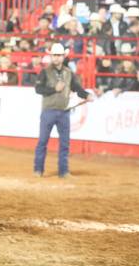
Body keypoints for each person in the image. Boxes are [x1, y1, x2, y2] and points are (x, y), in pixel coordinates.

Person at [33, 43, 93, 179]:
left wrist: (86, 95)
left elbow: (77, 88)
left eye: (59, 55)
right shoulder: (45, 72)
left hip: (63, 112)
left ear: (63, 56)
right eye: (55, 55)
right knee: (43, 141)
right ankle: (38, 169)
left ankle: (63, 171)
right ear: (51, 56)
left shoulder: (68, 73)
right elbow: (38, 89)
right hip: (49, 111)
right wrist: (54, 89)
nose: (57, 58)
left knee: (64, 143)